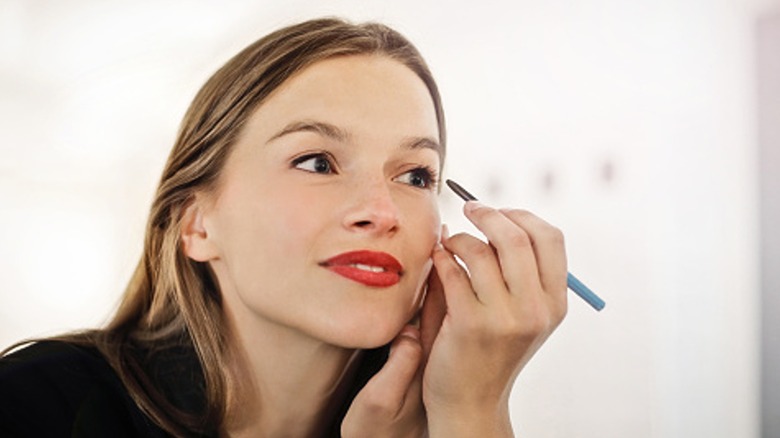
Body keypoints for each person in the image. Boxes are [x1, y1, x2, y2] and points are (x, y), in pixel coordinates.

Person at [0, 17, 568, 437]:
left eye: (416, 176)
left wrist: (473, 412)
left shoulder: (437, 419)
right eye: (317, 162)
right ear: (196, 224)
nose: (382, 210)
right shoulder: (37, 405)